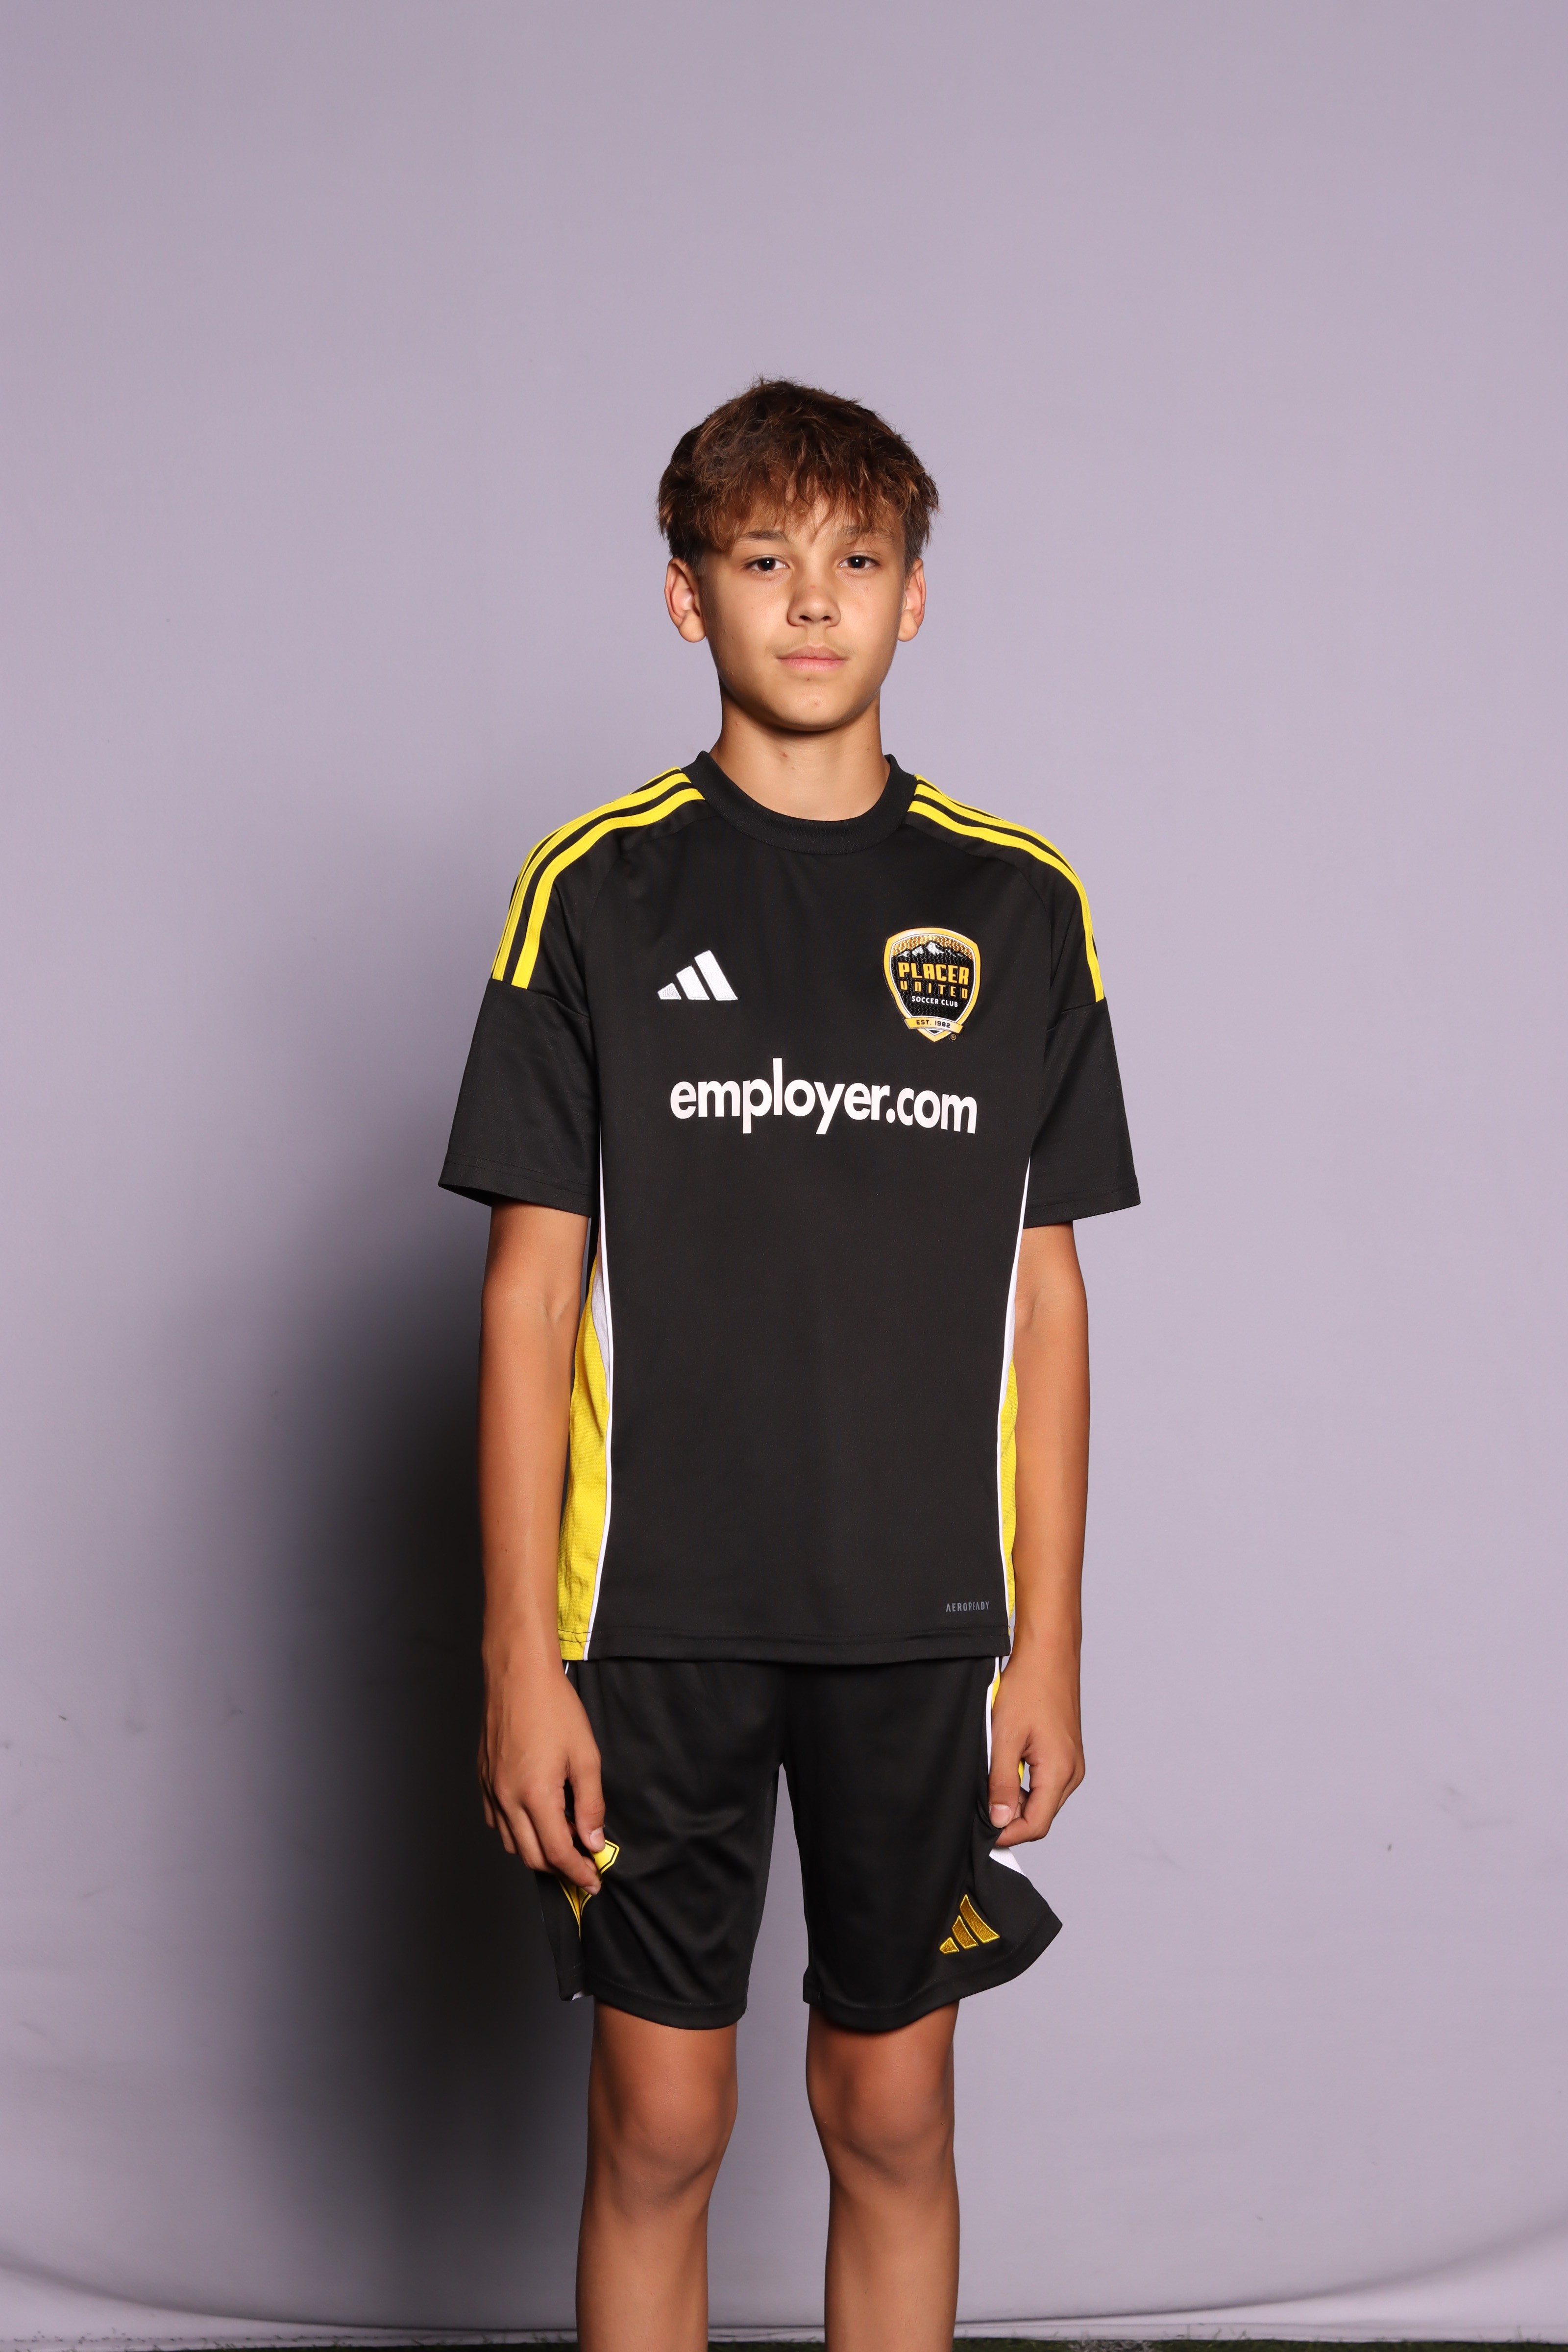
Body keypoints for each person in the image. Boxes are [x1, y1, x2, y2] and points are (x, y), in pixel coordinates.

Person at [439, 379, 1139, 2352]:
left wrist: (1051, 1646)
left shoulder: (1020, 905)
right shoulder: (593, 891)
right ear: (688, 597)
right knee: (659, 2123)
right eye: (764, 559)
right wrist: (517, 1661)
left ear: (916, 596)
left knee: (891, 2111)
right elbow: (526, 1298)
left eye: (857, 559)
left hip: (918, 1623)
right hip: (649, 1622)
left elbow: (1048, 1300)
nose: (813, 599)